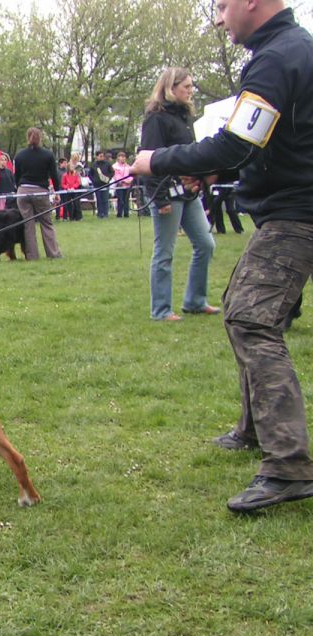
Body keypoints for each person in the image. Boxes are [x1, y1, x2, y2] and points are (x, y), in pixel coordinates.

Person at [131, 0, 313, 513]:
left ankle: (288, 467)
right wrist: (212, 172)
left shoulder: (278, 57)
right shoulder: (285, 51)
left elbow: (236, 142)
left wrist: (154, 161)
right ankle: (254, 431)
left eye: (222, 5)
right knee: (242, 308)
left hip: (297, 213)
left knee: (250, 319)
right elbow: (264, 143)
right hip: (291, 207)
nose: (218, 18)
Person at [139, 67, 219, 322]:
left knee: (206, 244)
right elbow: (148, 158)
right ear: (171, 88)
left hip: (188, 192)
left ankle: (195, 300)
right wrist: (160, 198)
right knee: (164, 251)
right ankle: (161, 310)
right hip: (167, 193)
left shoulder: (184, 118)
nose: (191, 91)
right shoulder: (156, 118)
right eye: (187, 87)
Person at [13, 128, 62, 260]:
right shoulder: (48, 155)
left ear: (27, 137)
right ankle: (53, 253)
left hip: (23, 191)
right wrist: (57, 191)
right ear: (41, 138)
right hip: (41, 191)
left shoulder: (19, 155)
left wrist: (19, 188)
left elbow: (16, 176)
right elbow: (54, 175)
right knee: (46, 223)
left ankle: (32, 255)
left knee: (28, 225)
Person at [89, 151, 114, 218]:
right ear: (97, 157)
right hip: (97, 185)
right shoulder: (94, 165)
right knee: (99, 200)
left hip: (105, 185)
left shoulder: (107, 164)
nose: (102, 157)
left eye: (103, 156)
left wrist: (108, 178)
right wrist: (94, 180)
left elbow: (112, 172)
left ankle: (105, 214)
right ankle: (100, 214)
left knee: (105, 200)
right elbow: (90, 174)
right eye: (100, 156)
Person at [112, 152, 134, 217]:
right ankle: (119, 214)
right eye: (121, 157)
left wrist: (129, 181)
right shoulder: (115, 166)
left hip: (127, 186)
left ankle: (126, 214)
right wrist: (124, 181)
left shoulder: (128, 166)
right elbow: (116, 176)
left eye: (124, 157)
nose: (123, 158)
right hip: (119, 185)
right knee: (120, 200)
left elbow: (131, 175)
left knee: (126, 200)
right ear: (118, 157)